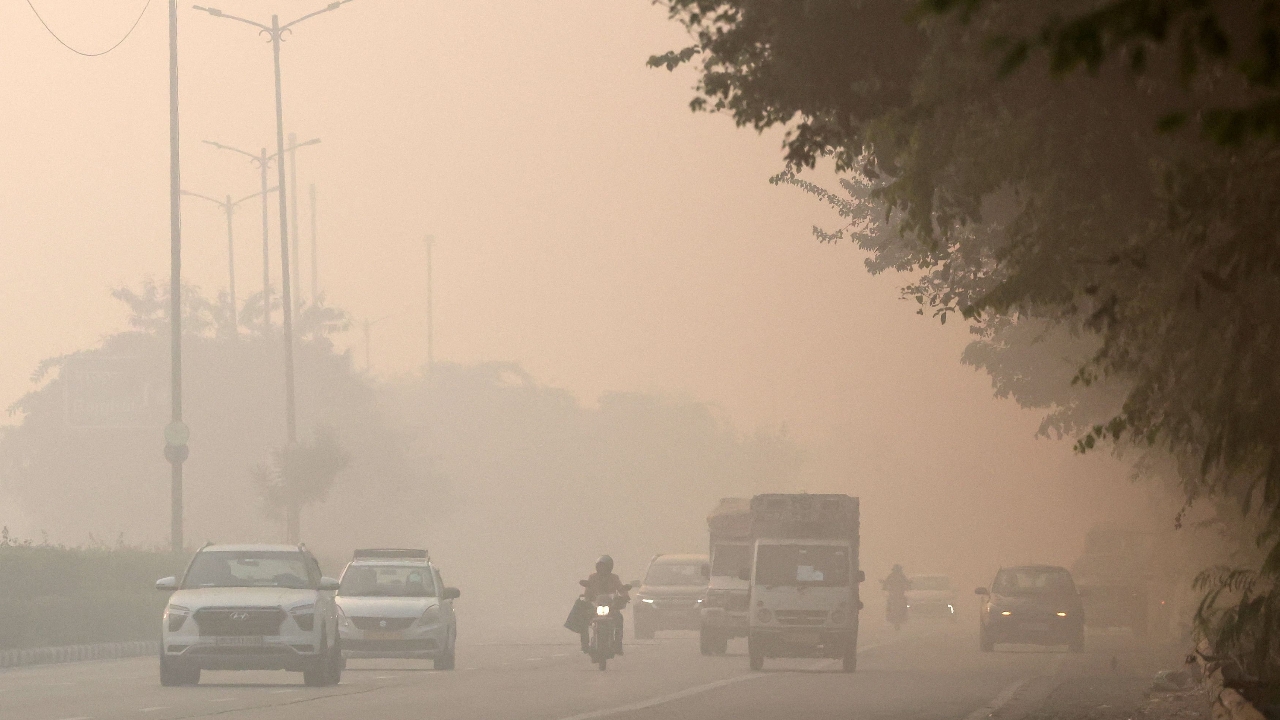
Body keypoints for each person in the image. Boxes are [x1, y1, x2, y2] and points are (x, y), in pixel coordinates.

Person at [579, 555, 629, 653]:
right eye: (600, 566)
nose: (602, 569)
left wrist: (624, 596)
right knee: (583, 619)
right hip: (595, 607)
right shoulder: (592, 577)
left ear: (610, 567)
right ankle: (584, 644)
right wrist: (587, 598)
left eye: (604, 566)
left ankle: (618, 644)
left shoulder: (614, 578)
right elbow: (587, 592)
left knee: (619, 619)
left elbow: (621, 589)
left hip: (611, 607)